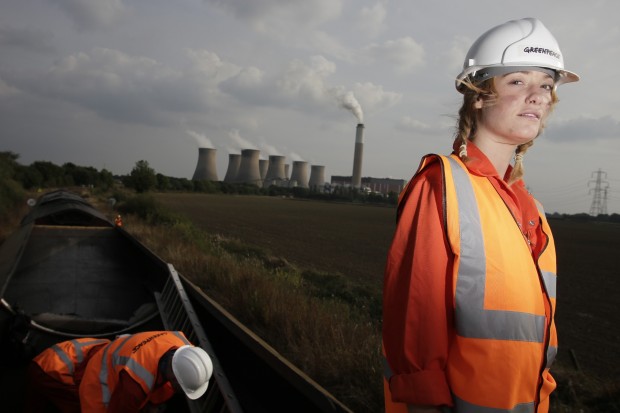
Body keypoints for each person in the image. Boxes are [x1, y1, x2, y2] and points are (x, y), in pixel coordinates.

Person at [382, 17, 579, 413]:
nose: (538, 95)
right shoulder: (441, 185)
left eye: (546, 85)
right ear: (477, 96)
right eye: (518, 82)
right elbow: (417, 321)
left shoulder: (531, 209)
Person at [79, 331, 213, 413]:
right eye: (181, 387)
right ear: (173, 375)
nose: (181, 392)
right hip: (99, 375)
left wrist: (153, 406)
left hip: (119, 352)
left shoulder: (186, 351)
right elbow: (121, 409)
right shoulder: (135, 384)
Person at [24, 337, 111, 413]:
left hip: (40, 363)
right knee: (82, 405)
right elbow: (84, 383)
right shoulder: (105, 353)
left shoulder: (105, 345)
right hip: (53, 371)